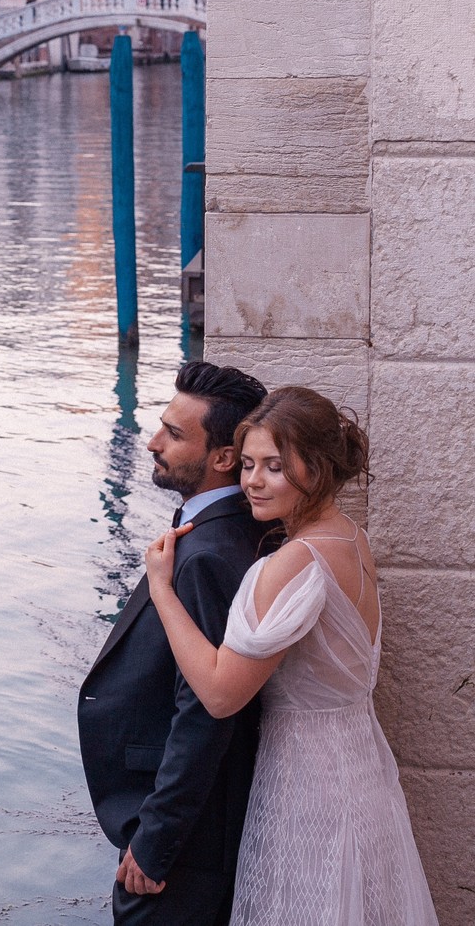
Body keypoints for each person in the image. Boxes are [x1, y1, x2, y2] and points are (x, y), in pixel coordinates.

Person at [144, 387, 439, 926]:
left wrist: (162, 588)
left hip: (307, 787)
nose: (253, 481)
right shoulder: (350, 539)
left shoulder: (293, 562)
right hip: (362, 771)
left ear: (319, 468)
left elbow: (220, 695)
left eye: (275, 466)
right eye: (248, 464)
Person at [79, 361, 272, 925]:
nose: (152, 443)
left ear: (224, 458)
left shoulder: (208, 556)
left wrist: (154, 839)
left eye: (174, 434)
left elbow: (205, 712)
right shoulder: (223, 531)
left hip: (184, 839)